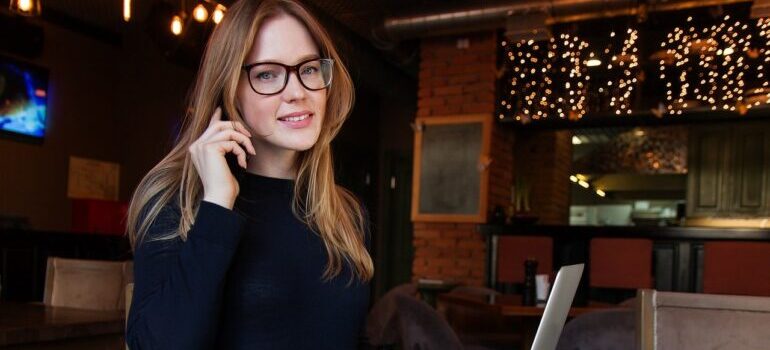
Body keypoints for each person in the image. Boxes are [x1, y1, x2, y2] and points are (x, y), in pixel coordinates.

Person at [124, 0, 374, 348]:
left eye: (310, 69)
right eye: (267, 74)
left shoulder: (347, 215)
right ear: (230, 90)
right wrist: (216, 205)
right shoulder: (175, 202)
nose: (298, 91)